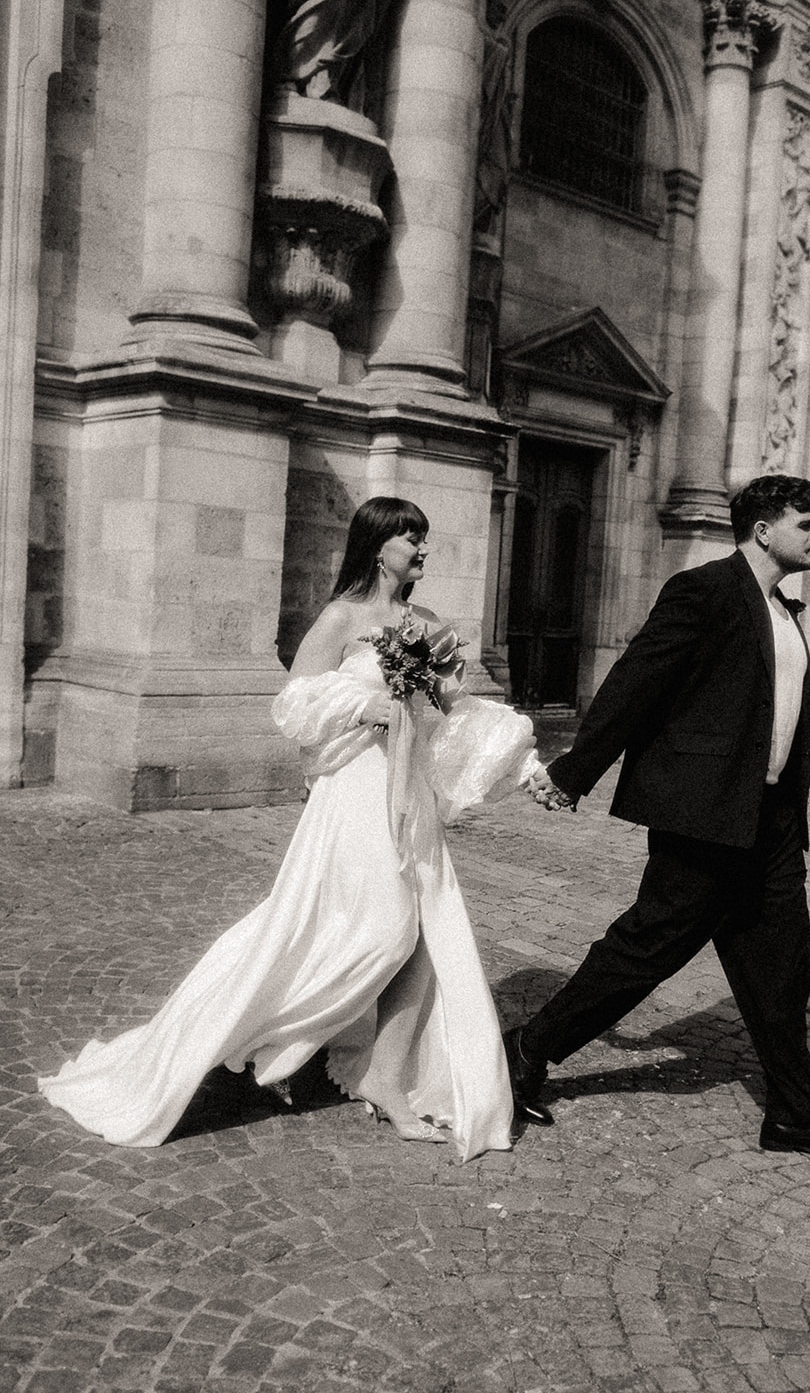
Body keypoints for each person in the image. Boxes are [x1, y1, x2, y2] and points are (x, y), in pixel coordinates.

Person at [39, 498, 541, 1161]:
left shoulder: (427, 626)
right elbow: (294, 702)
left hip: (408, 794)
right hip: (356, 790)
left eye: (424, 538)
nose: (422, 550)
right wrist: (366, 705)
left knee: (424, 940)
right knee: (380, 930)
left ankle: (387, 1078)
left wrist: (527, 765)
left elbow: (459, 711)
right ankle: (264, 1037)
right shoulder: (342, 618)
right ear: (378, 546)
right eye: (411, 538)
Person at [510, 474, 810, 1165]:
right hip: (705, 813)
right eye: (804, 524)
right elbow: (636, 683)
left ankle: (794, 1118)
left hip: (770, 822)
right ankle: (527, 1050)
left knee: (783, 967)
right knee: (648, 947)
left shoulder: (784, 609)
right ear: (763, 530)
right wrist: (574, 771)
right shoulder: (702, 591)